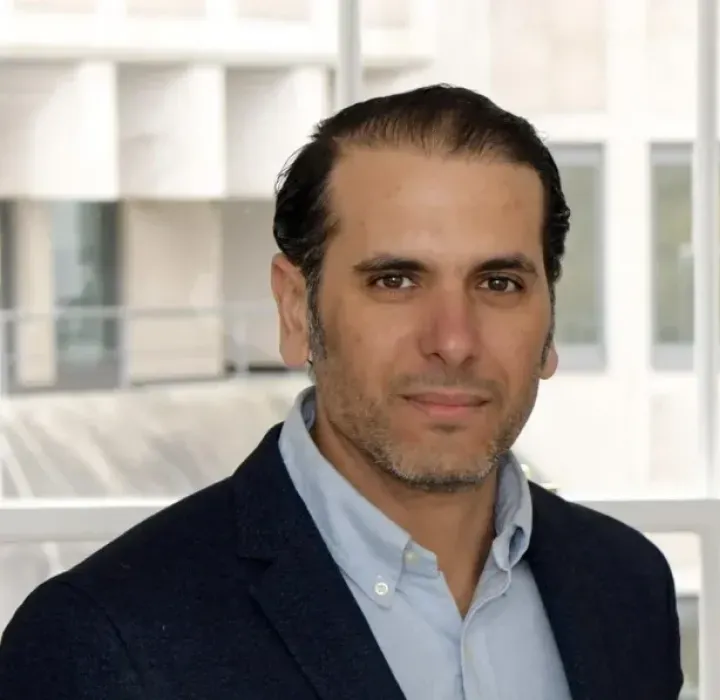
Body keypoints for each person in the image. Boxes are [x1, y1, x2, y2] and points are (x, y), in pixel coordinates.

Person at [0, 84, 683, 700]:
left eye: (498, 283)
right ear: (296, 311)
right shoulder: (101, 644)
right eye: (395, 281)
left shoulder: (625, 588)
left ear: (550, 322)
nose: (454, 340)